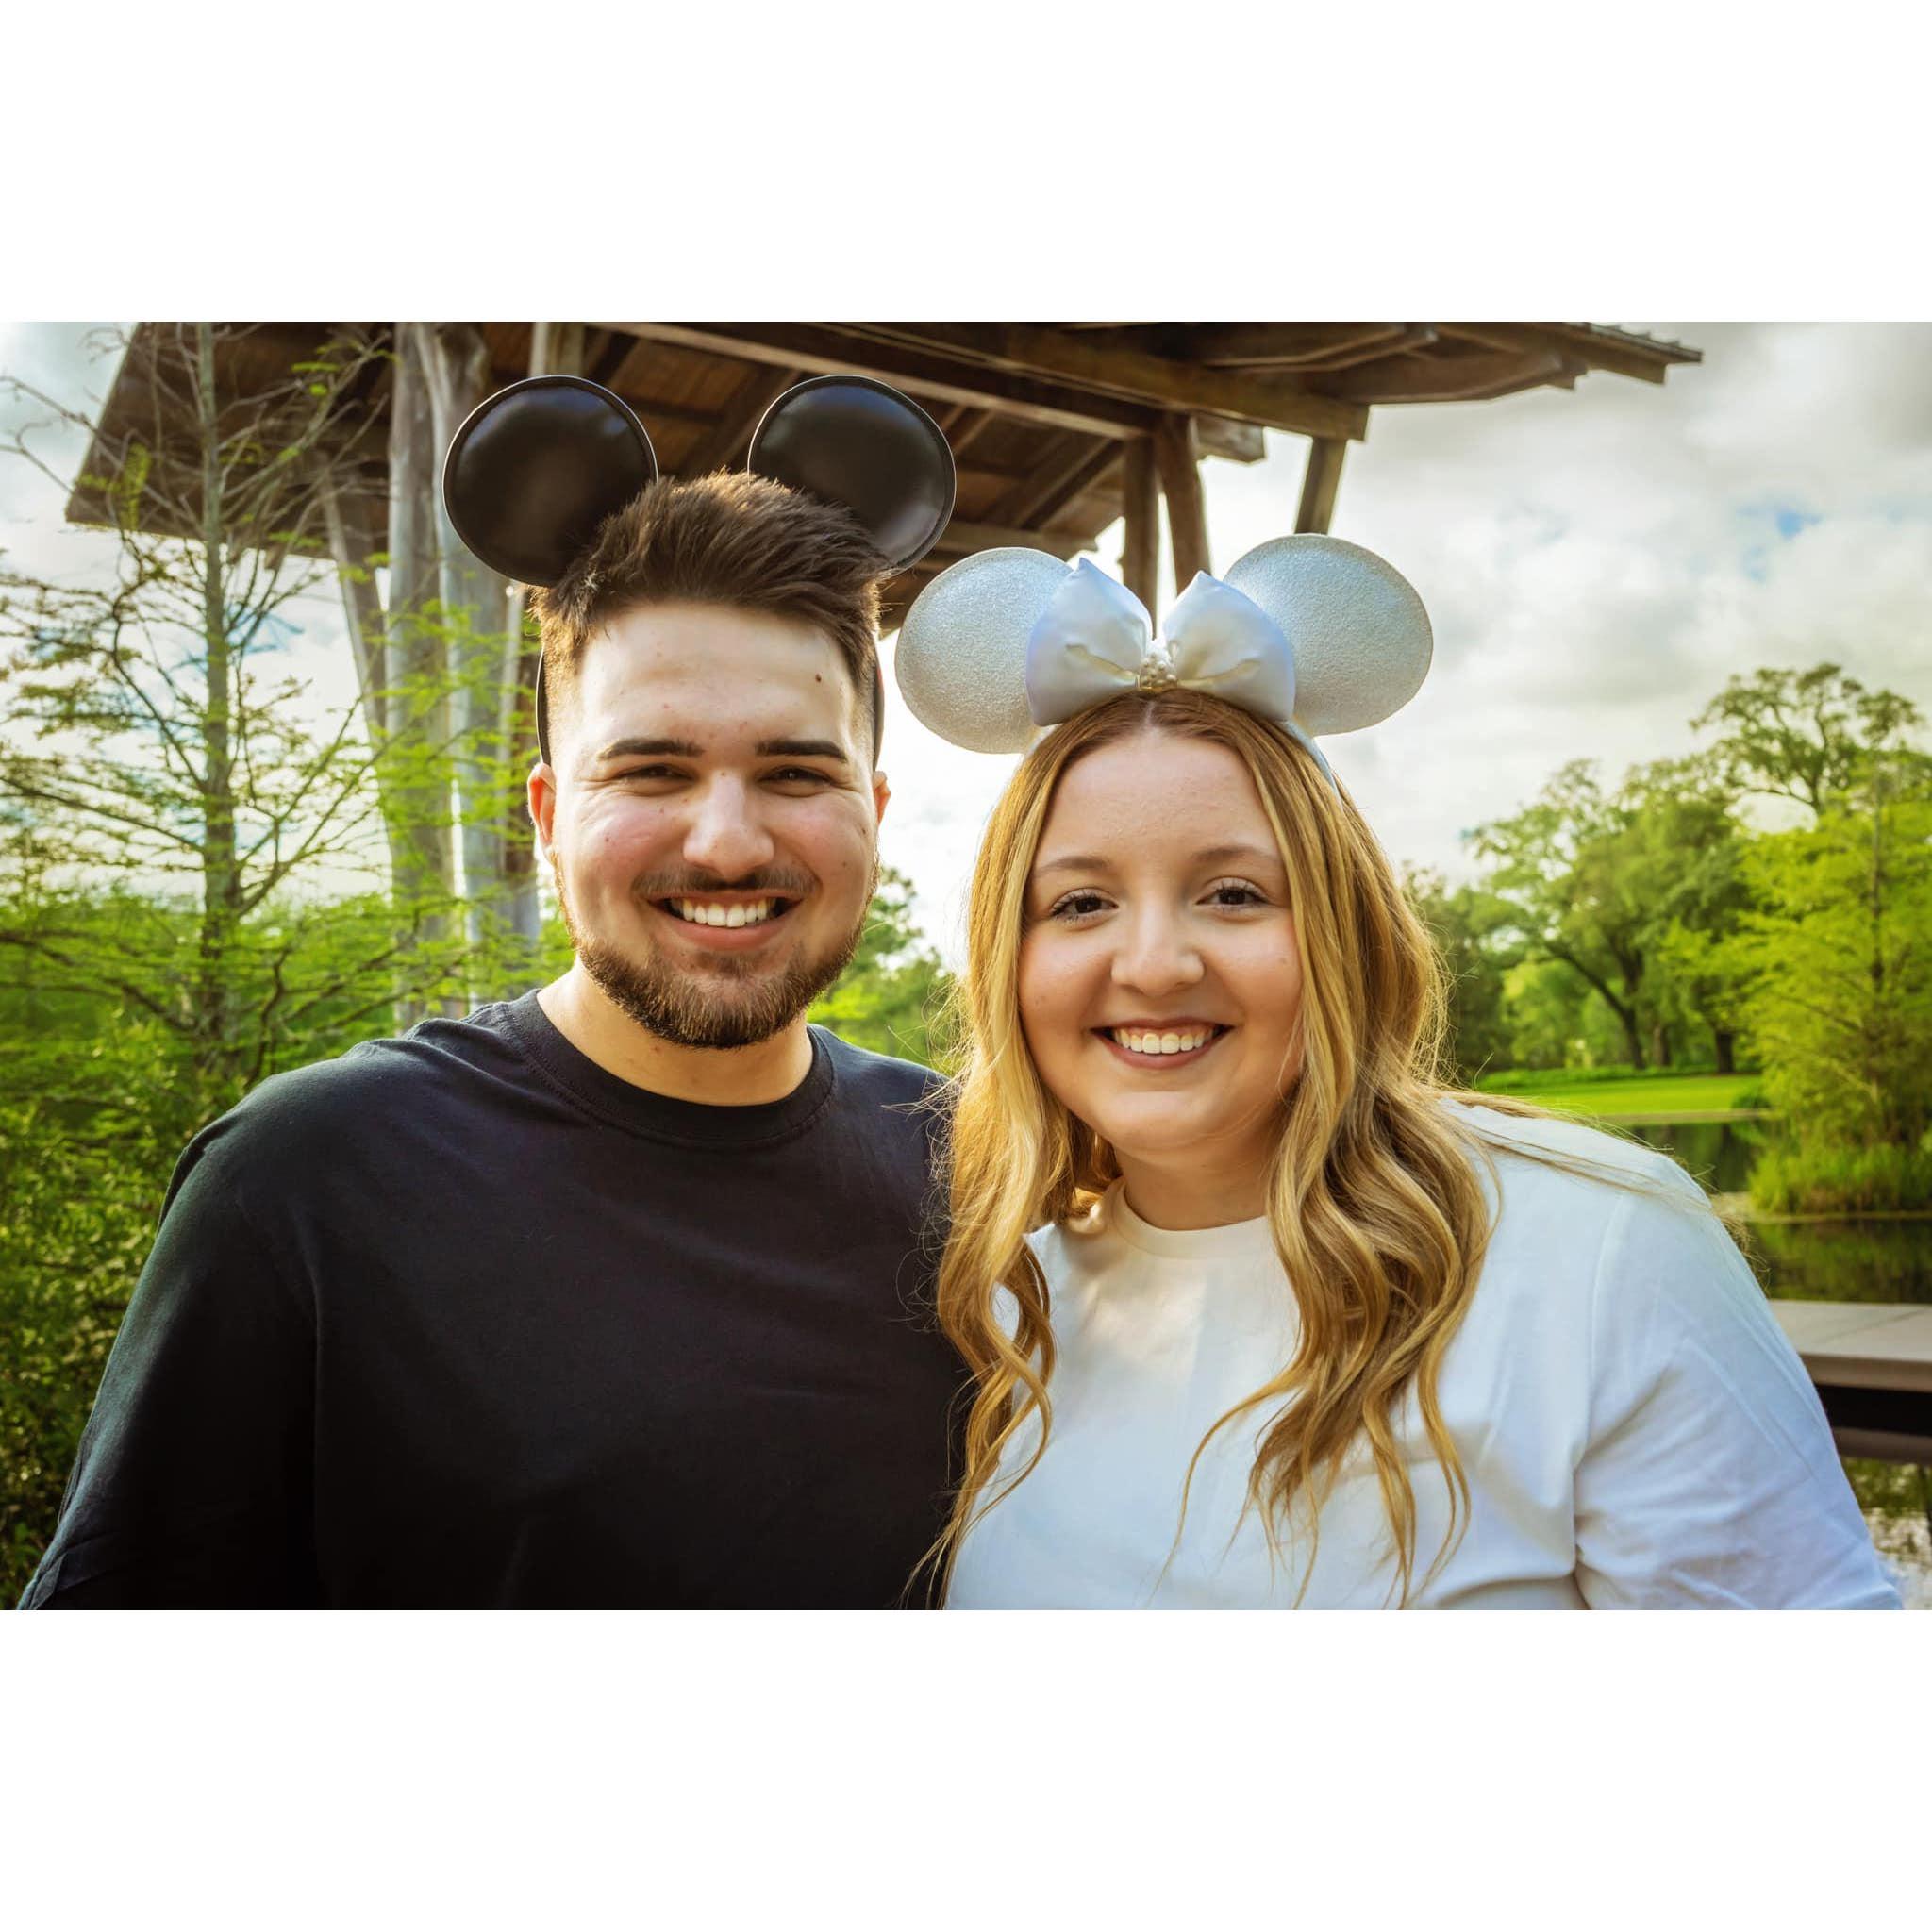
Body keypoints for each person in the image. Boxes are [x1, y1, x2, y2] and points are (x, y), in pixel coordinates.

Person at [21, 374, 969, 1608]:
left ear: (875, 813)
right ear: (547, 818)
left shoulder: (969, 1171)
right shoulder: (311, 1183)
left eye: (796, 772)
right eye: (652, 770)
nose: (728, 842)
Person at [891, 537, 1901, 1609]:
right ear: (1009, 959)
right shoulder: (1017, 1295)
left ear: (1342, 930)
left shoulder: (1596, 1247)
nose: (1151, 962)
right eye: (1079, 902)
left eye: (1232, 893)